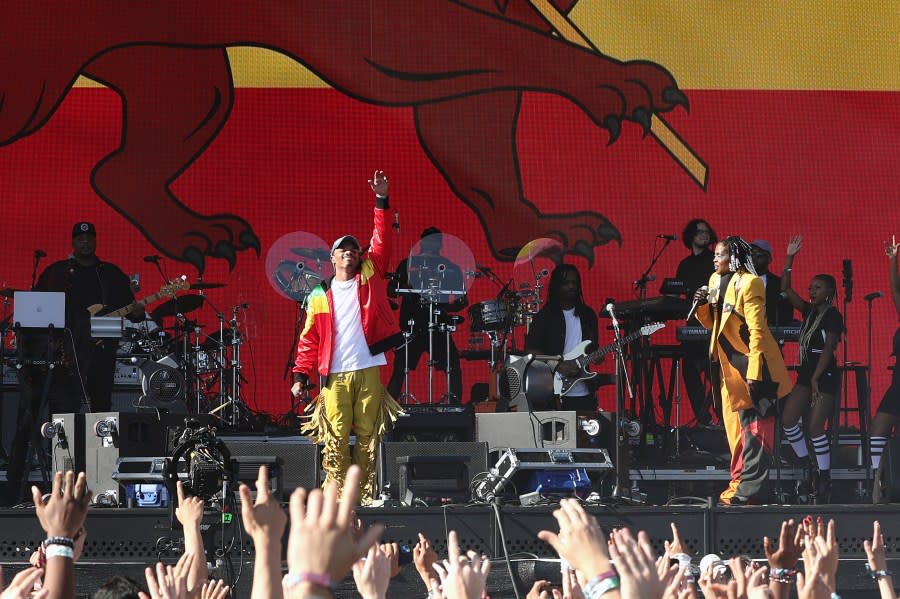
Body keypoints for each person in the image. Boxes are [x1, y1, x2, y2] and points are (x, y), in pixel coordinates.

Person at [4, 222, 143, 506]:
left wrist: (139, 310)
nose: (84, 243)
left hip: (100, 358)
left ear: (95, 241)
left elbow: (135, 313)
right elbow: (35, 313)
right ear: (72, 242)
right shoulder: (56, 273)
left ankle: (102, 487)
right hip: (61, 360)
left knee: (100, 418)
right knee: (63, 420)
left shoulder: (110, 275)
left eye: (89, 238)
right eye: (79, 239)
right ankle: (61, 486)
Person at [291, 170, 403, 505]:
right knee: (336, 436)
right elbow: (309, 339)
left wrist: (380, 200)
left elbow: (381, 240)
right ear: (333, 258)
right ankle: (336, 498)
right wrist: (300, 375)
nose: (351, 253)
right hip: (334, 374)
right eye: (344, 250)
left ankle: (364, 496)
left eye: (355, 249)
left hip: (369, 368)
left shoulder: (370, 274)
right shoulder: (319, 294)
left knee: (368, 435)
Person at [693, 236, 793, 505]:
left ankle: (749, 491)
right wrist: (702, 304)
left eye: (719, 254)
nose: (714, 259)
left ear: (734, 257)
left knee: (757, 430)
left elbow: (758, 331)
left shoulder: (750, 283)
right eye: (714, 255)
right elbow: (710, 323)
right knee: (735, 431)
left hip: (755, 366)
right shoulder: (714, 281)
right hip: (729, 368)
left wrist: (754, 372)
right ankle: (737, 483)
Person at [779, 235, 843, 503]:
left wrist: (816, 379)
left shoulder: (832, 315)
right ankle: (807, 466)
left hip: (824, 373)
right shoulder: (809, 312)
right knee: (788, 420)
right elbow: (785, 290)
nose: (811, 291)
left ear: (828, 291)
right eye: (810, 287)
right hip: (807, 373)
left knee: (816, 426)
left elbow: (828, 350)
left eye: (817, 288)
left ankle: (824, 476)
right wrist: (790, 257)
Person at [387, 227, 466, 403]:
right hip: (411, 324)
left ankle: (456, 407)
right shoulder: (407, 264)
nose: (431, 243)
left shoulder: (451, 267)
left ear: (440, 244)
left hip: (439, 324)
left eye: (435, 240)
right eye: (428, 240)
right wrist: (405, 290)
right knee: (400, 368)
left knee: (452, 366)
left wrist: (446, 309)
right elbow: (391, 291)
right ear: (420, 243)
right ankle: (388, 410)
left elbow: (462, 301)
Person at [525, 264, 600, 411]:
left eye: (574, 283)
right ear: (557, 287)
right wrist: (559, 365)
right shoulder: (544, 317)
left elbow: (593, 350)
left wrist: (597, 356)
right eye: (566, 283)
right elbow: (531, 352)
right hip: (551, 392)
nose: (571, 286)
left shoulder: (588, 315)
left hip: (583, 391)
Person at [675, 218, 718, 425]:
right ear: (691, 236)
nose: (704, 235)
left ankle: (724, 419)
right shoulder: (684, 264)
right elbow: (679, 293)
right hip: (694, 327)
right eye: (700, 232)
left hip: (713, 324)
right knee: (690, 371)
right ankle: (704, 420)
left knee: (716, 376)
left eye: (707, 232)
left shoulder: (715, 261)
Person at [870, 238, 900, 479]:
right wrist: (893, 260)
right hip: (897, 385)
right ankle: (876, 478)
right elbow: (895, 289)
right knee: (879, 428)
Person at [750, 239, 794, 326]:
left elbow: (787, 314)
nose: (753, 259)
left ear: (769, 259)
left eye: (758, 256)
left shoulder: (778, 284)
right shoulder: (738, 281)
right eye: (751, 256)